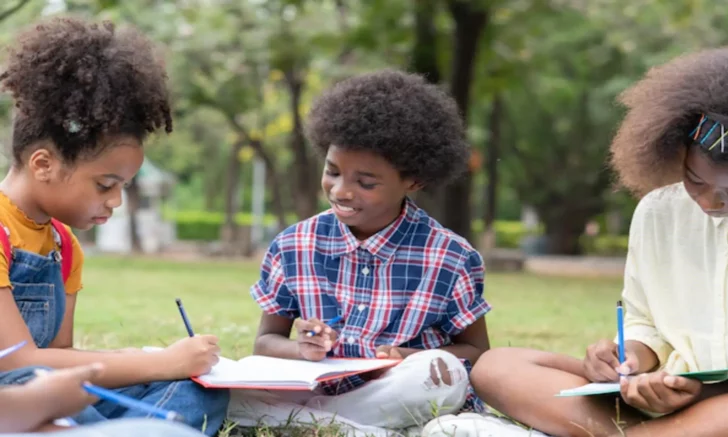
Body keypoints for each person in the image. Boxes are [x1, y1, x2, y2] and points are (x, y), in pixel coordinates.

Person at [426, 45, 728, 437]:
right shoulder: (659, 210)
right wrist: (631, 359)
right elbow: (644, 321)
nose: (710, 202)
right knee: (497, 367)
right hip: (666, 394)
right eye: (695, 180)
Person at [227, 70, 492, 436]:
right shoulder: (293, 245)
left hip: (401, 388)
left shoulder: (450, 256)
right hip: (317, 389)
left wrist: (407, 358)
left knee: (437, 378)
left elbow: (477, 354)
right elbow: (265, 343)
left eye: (365, 183)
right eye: (332, 172)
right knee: (234, 382)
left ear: (413, 181)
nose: (341, 191)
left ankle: (320, 426)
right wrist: (304, 349)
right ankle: (360, 428)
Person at [0, 16, 228, 436]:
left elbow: (61, 356)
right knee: (32, 382)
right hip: (10, 394)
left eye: (123, 186)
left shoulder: (64, 245)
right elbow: (15, 361)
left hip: (48, 393)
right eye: (106, 184)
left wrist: (163, 367)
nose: (115, 201)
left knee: (200, 392)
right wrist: (161, 360)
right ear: (44, 165)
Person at [0, 363, 208, 436]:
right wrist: (43, 400)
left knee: (197, 390)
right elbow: (18, 361)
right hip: (25, 391)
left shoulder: (68, 261)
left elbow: (61, 346)